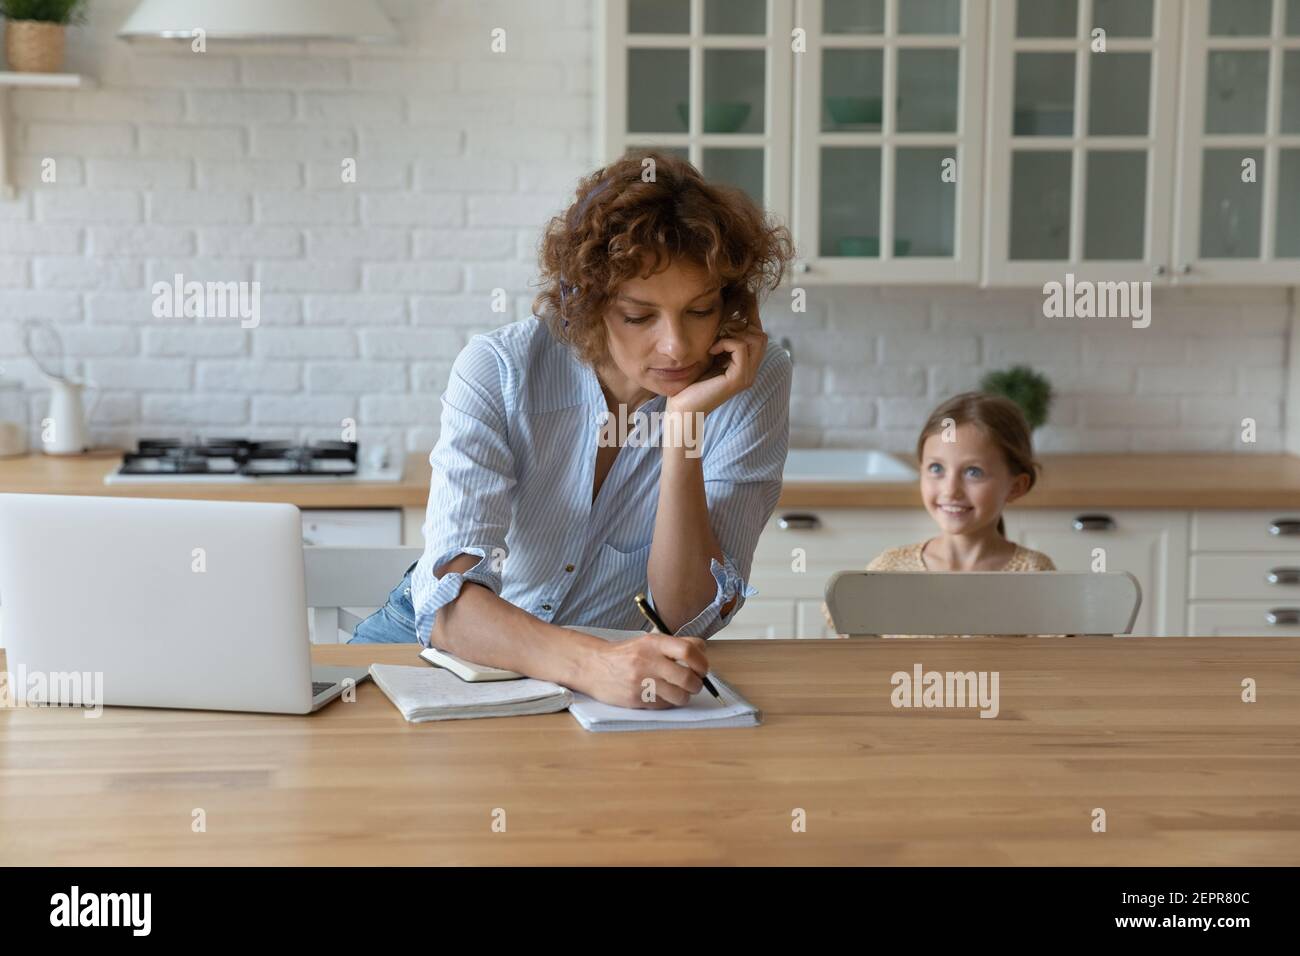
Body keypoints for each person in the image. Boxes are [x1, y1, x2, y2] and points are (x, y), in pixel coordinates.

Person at [351, 150, 796, 709]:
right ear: (587, 303)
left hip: (606, 685)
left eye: (700, 310)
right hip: (437, 654)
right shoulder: (500, 369)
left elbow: (687, 617)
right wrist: (592, 664)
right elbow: (449, 606)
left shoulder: (752, 381)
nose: (677, 346)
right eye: (638, 316)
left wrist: (684, 423)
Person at [823, 391, 1056, 638]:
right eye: (936, 468)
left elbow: (1055, 662)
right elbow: (848, 630)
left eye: (973, 472)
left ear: (1016, 486)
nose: (951, 490)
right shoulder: (889, 569)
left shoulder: (1034, 574)